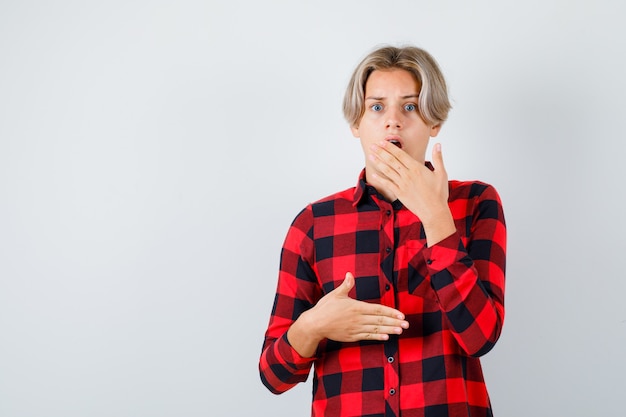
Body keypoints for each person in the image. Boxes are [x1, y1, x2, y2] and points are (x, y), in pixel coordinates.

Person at [259, 45, 506, 417]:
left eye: (409, 106)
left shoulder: (475, 203)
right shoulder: (313, 224)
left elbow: (481, 336)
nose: (393, 121)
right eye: (376, 107)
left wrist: (436, 216)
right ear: (356, 124)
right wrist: (313, 326)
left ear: (433, 121)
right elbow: (273, 376)